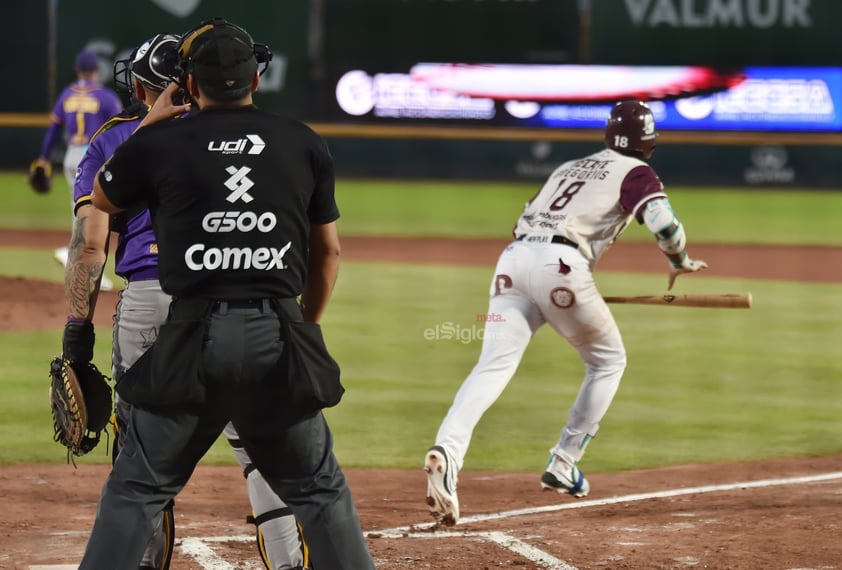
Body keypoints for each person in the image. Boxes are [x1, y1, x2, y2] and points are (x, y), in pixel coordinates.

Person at [79, 18, 375, 569]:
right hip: (275, 335)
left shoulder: (161, 141)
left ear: (188, 85)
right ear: (256, 80)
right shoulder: (303, 141)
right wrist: (303, 327)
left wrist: (152, 123)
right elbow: (328, 253)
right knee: (318, 490)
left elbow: (102, 196)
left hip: (187, 340)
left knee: (135, 488)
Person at [423, 100, 709, 526]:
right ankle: (564, 461)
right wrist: (679, 259)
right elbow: (664, 224)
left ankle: (447, 451)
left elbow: (528, 219)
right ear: (650, 142)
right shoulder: (637, 173)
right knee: (608, 360)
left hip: (512, 261)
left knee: (492, 366)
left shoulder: (569, 167)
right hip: (560, 268)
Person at [34, 49, 122, 281]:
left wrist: (43, 158)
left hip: (71, 156)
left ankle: (76, 257)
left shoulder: (67, 94)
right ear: (96, 70)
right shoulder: (104, 96)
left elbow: (53, 130)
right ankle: (83, 263)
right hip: (93, 157)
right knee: (95, 212)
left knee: (80, 208)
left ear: (77, 70)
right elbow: (121, 127)